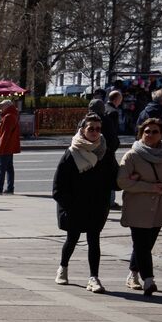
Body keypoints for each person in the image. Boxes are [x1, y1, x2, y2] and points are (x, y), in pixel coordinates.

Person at [52, 114, 116, 293]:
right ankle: (62, 268)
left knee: (94, 241)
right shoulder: (72, 153)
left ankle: (93, 278)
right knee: (72, 239)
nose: (95, 132)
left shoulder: (105, 152)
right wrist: (68, 205)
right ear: (83, 130)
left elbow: (114, 178)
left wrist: (126, 180)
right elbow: (58, 185)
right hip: (76, 206)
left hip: (97, 205)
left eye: (98, 128)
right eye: (91, 128)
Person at [118, 117, 162, 296]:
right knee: (141, 244)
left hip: (158, 207)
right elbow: (122, 181)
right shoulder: (132, 155)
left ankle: (132, 274)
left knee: (145, 245)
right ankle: (149, 280)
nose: (150, 134)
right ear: (141, 133)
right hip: (137, 207)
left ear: (161, 134)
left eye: (155, 132)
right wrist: (150, 187)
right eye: (147, 131)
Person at [0, 98, 20, 194]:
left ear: (7, 106)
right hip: (9, 146)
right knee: (9, 168)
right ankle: (10, 188)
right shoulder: (12, 115)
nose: (0, 108)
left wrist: (0, 148)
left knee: (1, 168)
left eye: (2, 106)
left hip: (5, 146)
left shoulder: (8, 117)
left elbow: (5, 134)